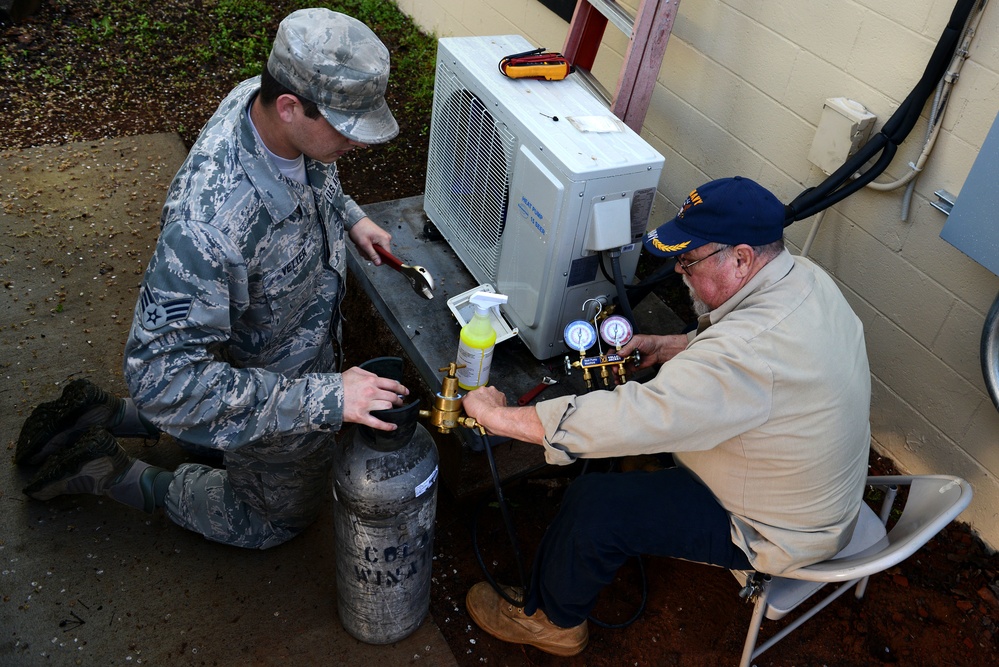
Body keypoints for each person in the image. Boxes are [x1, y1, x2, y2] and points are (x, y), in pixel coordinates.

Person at [14, 8, 410, 549]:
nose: (358, 144)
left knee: (216, 432)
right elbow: (163, 380)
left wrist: (349, 215)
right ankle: (117, 473)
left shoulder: (270, 103)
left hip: (269, 352)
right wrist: (325, 398)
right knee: (274, 522)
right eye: (347, 129)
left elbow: (315, 172)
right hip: (273, 384)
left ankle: (109, 416)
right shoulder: (209, 227)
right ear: (291, 107)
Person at [460, 176, 872, 656]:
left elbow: (631, 418)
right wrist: (679, 344)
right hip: (820, 491)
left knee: (596, 505)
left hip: (777, 531)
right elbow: (765, 358)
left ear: (741, 257)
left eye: (689, 260)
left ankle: (554, 622)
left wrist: (500, 418)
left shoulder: (746, 354)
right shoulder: (805, 278)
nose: (679, 271)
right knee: (640, 456)